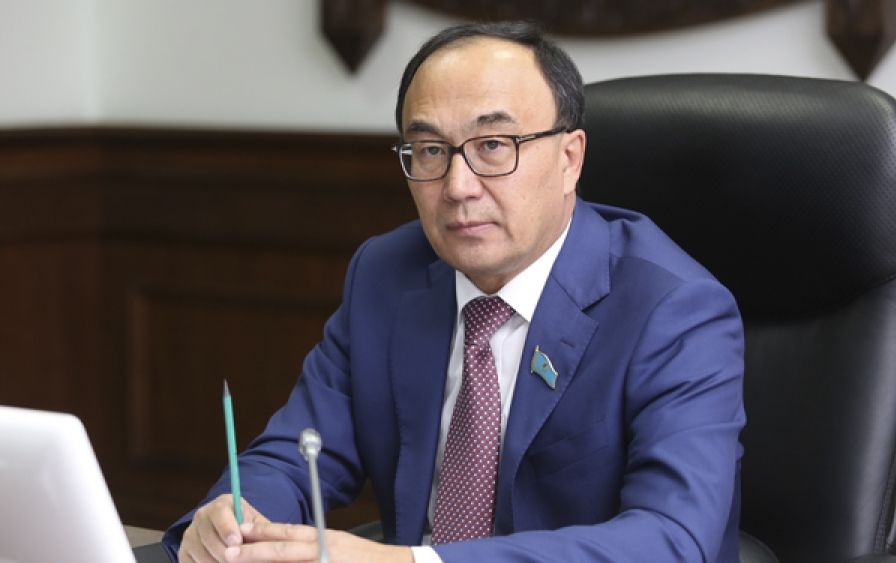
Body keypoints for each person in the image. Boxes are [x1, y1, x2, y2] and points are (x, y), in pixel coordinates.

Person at [163, 21, 745, 563]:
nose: (458, 187)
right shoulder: (386, 274)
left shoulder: (675, 309)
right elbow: (295, 453)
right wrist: (234, 517)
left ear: (569, 160)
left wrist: (412, 562)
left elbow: (672, 539)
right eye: (431, 150)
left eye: (493, 145)